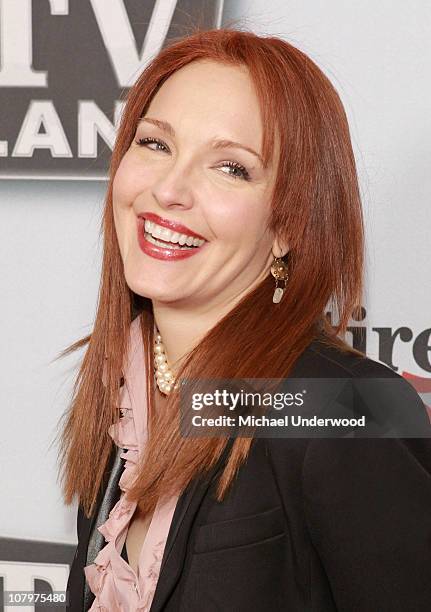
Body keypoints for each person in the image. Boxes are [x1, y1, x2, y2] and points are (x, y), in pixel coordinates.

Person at [60, 28, 431, 611]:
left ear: (287, 226)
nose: (169, 189)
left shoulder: (343, 405)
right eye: (156, 145)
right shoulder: (123, 388)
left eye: (231, 168)